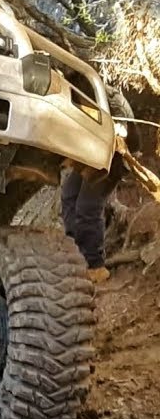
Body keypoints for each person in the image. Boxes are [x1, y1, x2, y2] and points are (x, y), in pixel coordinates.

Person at [60, 86, 141, 283]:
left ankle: (96, 265)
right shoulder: (74, 92)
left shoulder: (111, 99)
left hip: (114, 158)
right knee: (69, 194)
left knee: (88, 206)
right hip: (90, 155)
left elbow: (122, 133)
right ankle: (75, 252)